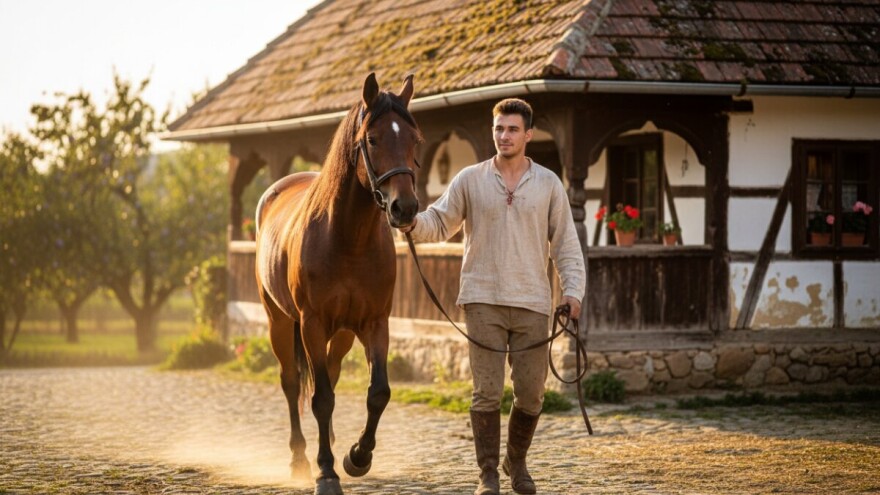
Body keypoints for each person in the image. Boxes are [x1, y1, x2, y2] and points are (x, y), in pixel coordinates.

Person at [399, 98, 586, 495]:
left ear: (528, 135)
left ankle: (516, 462)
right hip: (482, 298)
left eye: (513, 129)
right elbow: (441, 220)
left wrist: (573, 292)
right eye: (499, 129)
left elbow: (566, 245)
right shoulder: (470, 178)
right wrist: (413, 222)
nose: (505, 136)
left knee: (532, 394)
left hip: (533, 300)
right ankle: (487, 474)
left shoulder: (549, 183)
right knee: (485, 390)